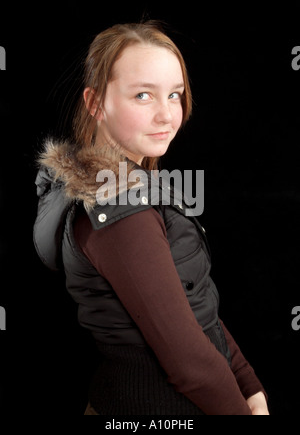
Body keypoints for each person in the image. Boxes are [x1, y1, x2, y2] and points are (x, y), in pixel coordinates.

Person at [33, 22, 269, 415]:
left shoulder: (135, 186)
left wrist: (248, 383)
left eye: (174, 95)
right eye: (143, 95)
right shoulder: (122, 211)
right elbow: (189, 362)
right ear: (95, 104)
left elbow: (194, 306)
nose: (166, 115)